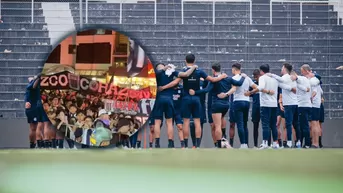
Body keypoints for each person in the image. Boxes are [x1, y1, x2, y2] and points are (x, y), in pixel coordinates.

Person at [159, 54, 228, 148]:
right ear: (194, 60)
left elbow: (175, 82)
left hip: (186, 99)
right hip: (196, 99)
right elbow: (212, 79)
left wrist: (163, 87)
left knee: (186, 121)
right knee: (197, 121)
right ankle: (197, 145)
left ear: (185, 60)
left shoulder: (183, 71)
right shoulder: (199, 72)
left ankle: (186, 145)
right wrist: (222, 76)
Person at [193, 62, 245, 148]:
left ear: (213, 70)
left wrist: (195, 92)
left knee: (217, 126)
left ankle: (219, 144)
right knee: (221, 121)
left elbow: (206, 90)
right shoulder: (227, 78)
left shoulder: (214, 80)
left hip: (217, 104)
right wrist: (243, 76)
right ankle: (224, 140)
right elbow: (239, 83)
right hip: (226, 105)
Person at [154, 62, 197, 148]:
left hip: (158, 100)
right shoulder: (171, 72)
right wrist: (193, 67)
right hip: (169, 99)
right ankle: (170, 143)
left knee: (157, 122)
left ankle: (157, 143)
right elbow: (185, 74)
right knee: (169, 123)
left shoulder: (157, 74)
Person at [218, 63, 254, 148]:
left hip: (238, 102)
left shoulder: (234, 78)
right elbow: (256, 87)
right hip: (247, 102)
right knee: (245, 124)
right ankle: (246, 144)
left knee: (240, 124)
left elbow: (234, 89)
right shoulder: (247, 78)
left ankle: (243, 144)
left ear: (234, 69)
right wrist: (250, 92)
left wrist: (226, 94)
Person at [268, 63, 299, 148]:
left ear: (285, 69)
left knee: (289, 124)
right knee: (296, 124)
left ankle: (289, 142)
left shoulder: (286, 77)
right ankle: (298, 142)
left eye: (282, 68)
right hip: (295, 103)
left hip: (289, 104)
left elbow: (280, 81)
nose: (281, 70)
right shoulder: (291, 78)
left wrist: (271, 75)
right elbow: (283, 85)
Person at [248, 64, 279, 149]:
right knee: (272, 125)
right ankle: (275, 143)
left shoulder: (262, 78)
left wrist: (251, 92)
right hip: (273, 104)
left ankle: (265, 143)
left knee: (265, 125)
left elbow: (261, 87)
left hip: (265, 104)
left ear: (261, 71)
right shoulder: (274, 79)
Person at [25, 76, 39, 149]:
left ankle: (34, 144)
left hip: (33, 108)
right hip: (33, 109)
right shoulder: (31, 84)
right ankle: (33, 145)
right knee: (34, 127)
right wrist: (38, 78)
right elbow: (34, 85)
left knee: (36, 127)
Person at [249, 69, 261, 148]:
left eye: (257, 77)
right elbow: (249, 93)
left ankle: (267, 143)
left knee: (266, 126)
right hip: (255, 106)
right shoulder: (253, 83)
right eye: (255, 77)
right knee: (255, 126)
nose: (256, 78)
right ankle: (255, 145)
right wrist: (253, 91)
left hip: (264, 106)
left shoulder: (265, 82)